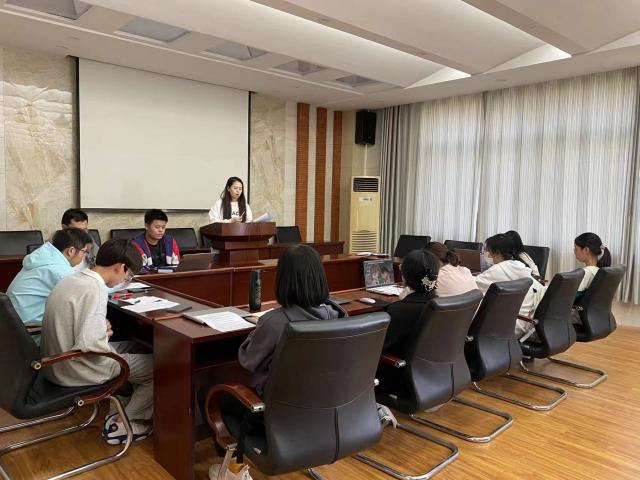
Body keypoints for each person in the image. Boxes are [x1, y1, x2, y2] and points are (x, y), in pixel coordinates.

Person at [207, 245, 345, 480]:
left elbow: (248, 360)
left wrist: (255, 332)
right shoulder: (338, 314)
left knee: (210, 394)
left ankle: (233, 469)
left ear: (283, 280)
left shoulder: (275, 321)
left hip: (276, 415)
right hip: (325, 413)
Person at [41, 239, 153, 444]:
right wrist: (104, 332)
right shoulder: (96, 289)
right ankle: (124, 423)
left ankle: (118, 408)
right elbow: (91, 345)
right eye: (128, 276)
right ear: (120, 267)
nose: (125, 281)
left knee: (136, 346)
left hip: (55, 361)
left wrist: (100, 329)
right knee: (161, 366)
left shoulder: (72, 279)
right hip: (76, 369)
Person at [7, 228, 93, 325]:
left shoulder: (43, 258)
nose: (84, 256)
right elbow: (88, 293)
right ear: (71, 251)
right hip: (30, 329)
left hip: (12, 324)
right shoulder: (59, 270)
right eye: (84, 251)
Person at [475, 234, 545, 338]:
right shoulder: (518, 266)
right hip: (525, 322)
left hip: (510, 325)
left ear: (497, 253)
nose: (487, 255)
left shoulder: (499, 269)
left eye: (488, 251)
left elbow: (471, 284)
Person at [384, 249, 440, 355]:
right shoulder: (441, 305)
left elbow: (384, 346)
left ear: (405, 276)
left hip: (398, 363)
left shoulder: (398, 310)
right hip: (435, 361)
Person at [574, 232, 611, 300]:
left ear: (586, 250)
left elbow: (572, 297)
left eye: (576, 249)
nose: (574, 251)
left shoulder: (586, 272)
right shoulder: (600, 270)